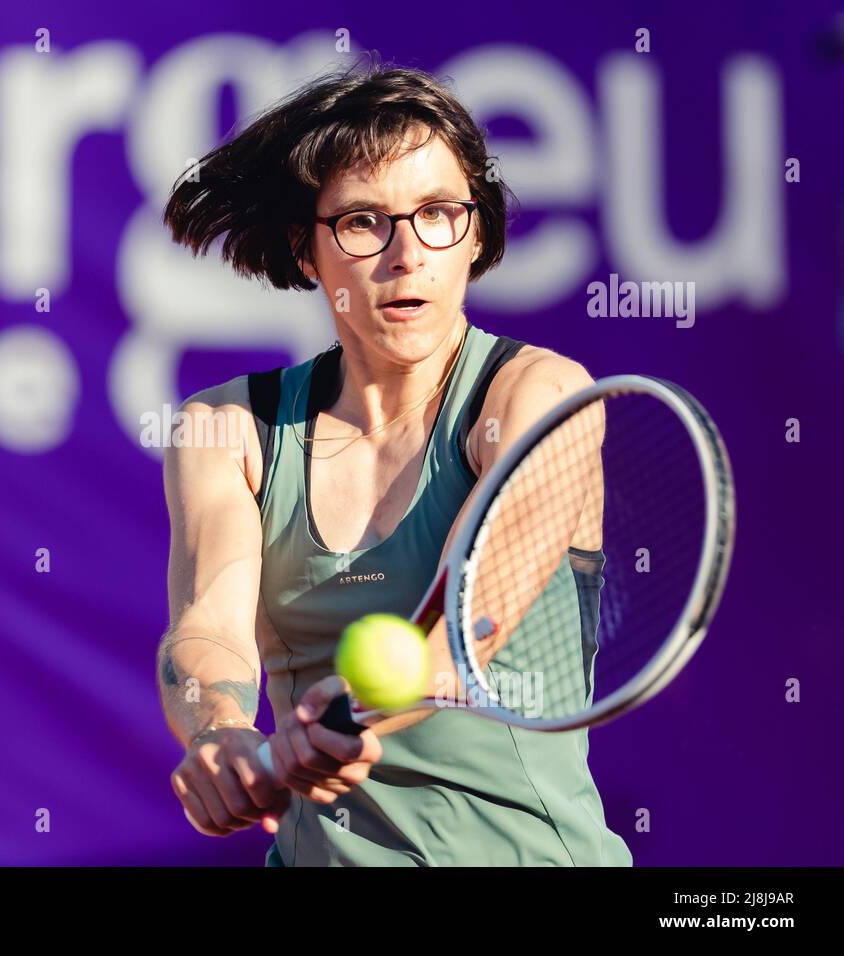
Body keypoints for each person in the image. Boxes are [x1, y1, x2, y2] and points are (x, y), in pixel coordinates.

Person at [156, 57, 631, 866]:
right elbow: (206, 628)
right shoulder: (224, 427)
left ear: (475, 232)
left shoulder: (541, 396)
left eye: (438, 213)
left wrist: (353, 711)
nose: (407, 253)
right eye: (364, 222)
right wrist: (223, 733)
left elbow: (464, 627)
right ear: (308, 253)